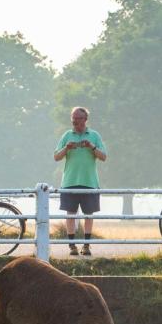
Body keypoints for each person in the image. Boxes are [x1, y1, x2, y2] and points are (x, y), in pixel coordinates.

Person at [54, 107, 107, 255]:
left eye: (78, 118)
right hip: (69, 181)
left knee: (88, 214)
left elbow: (103, 156)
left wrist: (91, 146)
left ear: (85, 119)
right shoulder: (66, 135)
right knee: (70, 213)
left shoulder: (94, 135)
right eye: (73, 118)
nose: (75, 121)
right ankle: (72, 245)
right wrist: (66, 148)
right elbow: (56, 157)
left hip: (89, 181)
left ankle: (86, 245)